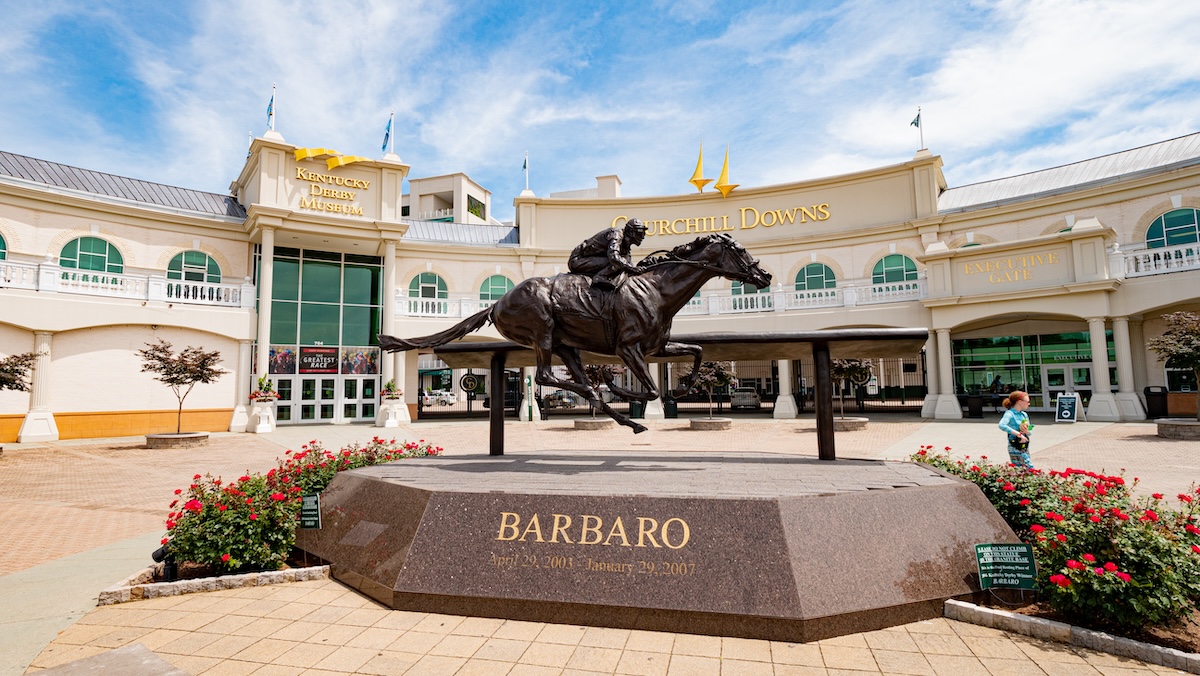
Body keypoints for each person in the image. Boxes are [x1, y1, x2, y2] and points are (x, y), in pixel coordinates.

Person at [568, 218, 648, 290]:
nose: (643, 237)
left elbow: (628, 262)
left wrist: (635, 269)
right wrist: (631, 268)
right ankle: (599, 277)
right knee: (617, 262)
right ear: (630, 232)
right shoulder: (616, 234)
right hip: (578, 260)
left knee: (623, 262)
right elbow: (614, 257)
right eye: (640, 233)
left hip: (591, 259)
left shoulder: (625, 244)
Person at [998, 390, 1034, 469]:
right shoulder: (1010, 413)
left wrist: (1027, 431)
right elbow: (1001, 425)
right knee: (1024, 468)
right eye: (1027, 401)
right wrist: (1018, 434)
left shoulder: (1024, 414)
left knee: (1027, 468)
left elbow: (1029, 432)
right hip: (1015, 445)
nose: (1029, 404)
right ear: (1019, 402)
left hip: (1024, 445)